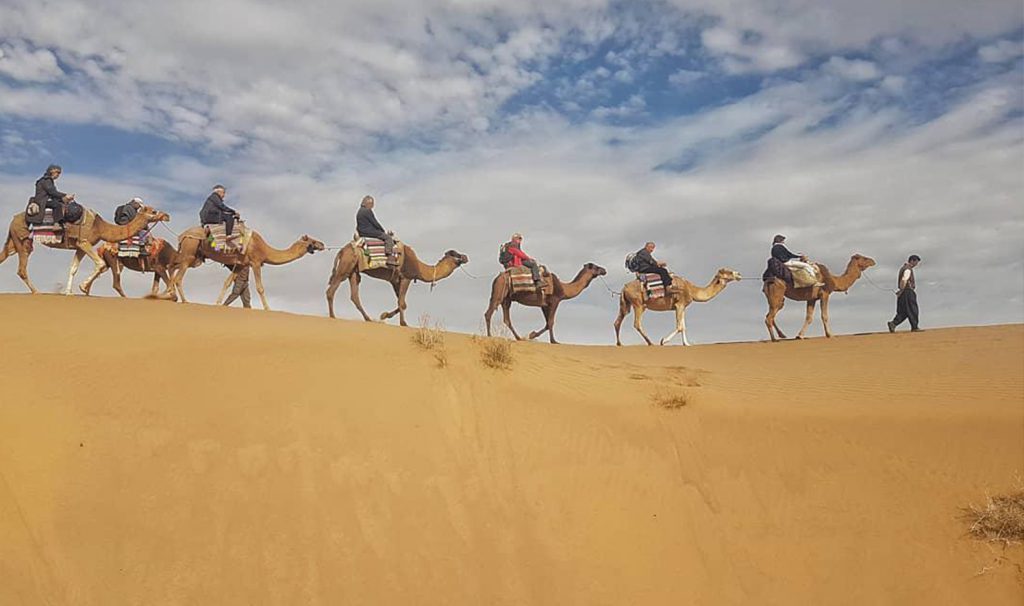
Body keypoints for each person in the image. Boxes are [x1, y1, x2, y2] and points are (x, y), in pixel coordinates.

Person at [355, 195, 397, 265]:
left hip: (362, 232)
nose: (372, 206)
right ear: (368, 203)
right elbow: (375, 223)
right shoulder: (367, 211)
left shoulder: (359, 211)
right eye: (372, 204)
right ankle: (389, 256)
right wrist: (382, 231)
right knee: (388, 238)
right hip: (369, 232)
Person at [888, 255, 922, 333]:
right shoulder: (907, 269)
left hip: (903, 292)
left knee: (903, 311)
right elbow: (904, 280)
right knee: (913, 309)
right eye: (916, 262)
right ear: (912, 261)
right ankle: (914, 327)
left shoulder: (903, 268)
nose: (916, 264)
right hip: (907, 292)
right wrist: (902, 290)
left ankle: (893, 323)